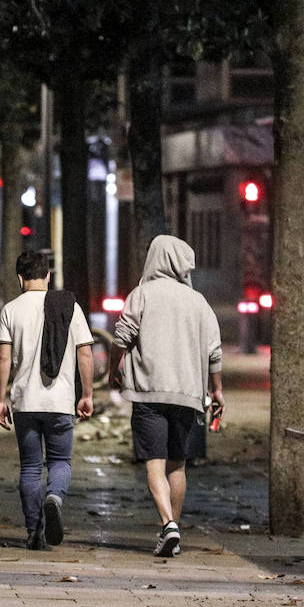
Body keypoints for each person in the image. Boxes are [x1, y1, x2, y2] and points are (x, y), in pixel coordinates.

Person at [108, 234, 223, 558]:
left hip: (149, 392)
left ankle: (167, 524)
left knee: (154, 464)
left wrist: (113, 369)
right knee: (178, 466)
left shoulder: (141, 294)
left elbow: (123, 337)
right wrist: (217, 389)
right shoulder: (198, 301)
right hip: (187, 393)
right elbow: (214, 351)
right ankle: (173, 530)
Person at [0, 251, 94, 549]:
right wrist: (86, 394)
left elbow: (3, 358)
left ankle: (34, 531)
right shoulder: (69, 307)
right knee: (61, 460)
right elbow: (85, 352)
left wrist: (0, 399)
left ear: (19, 278)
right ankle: (54, 497)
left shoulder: (11, 310)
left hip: (25, 402)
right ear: (48, 275)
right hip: (60, 400)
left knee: (29, 468)